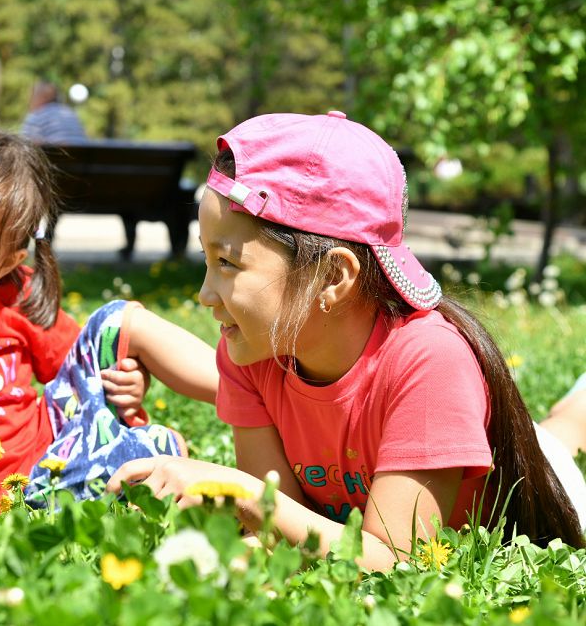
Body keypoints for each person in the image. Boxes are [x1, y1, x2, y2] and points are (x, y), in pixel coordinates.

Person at [108, 111, 586, 570]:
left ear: (334, 276)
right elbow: (280, 529)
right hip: (432, 452)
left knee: (560, 437)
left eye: (228, 263)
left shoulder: (431, 360)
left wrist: (242, 493)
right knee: (560, 426)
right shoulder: (252, 351)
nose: (205, 293)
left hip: (544, 474)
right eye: (206, 261)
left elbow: (397, 560)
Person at [0, 119, 218, 506]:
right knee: (118, 473)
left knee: (121, 321)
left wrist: (123, 381)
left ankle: (248, 391)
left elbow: (83, 368)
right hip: (14, 493)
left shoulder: (13, 298)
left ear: (4, 262)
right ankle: (141, 461)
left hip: (46, 460)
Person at [19, 81, 87, 144]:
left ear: (42, 97)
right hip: (81, 155)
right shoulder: (71, 113)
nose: (30, 101)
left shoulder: (36, 116)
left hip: (55, 156)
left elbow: (25, 146)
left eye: (33, 96)